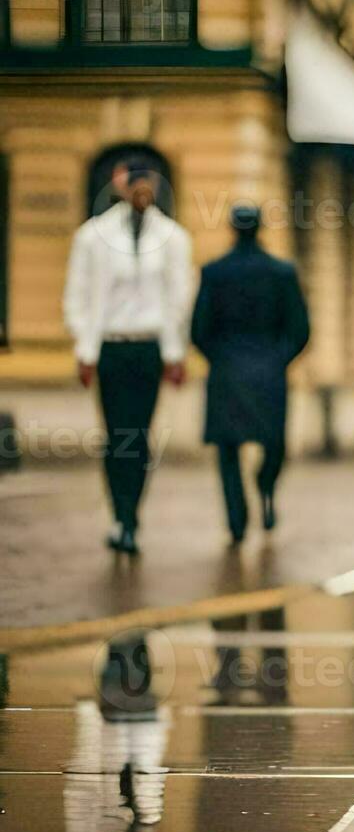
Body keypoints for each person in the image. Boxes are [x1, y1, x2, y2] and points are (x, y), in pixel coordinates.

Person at [64, 164, 193, 555]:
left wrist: (175, 354)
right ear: (121, 187)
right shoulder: (93, 236)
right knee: (115, 435)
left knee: (138, 436)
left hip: (148, 348)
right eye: (135, 184)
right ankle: (119, 514)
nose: (142, 191)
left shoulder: (172, 238)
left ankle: (131, 515)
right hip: (111, 348)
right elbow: (78, 295)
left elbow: (179, 299)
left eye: (148, 184)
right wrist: (85, 350)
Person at [190, 205, 310, 544]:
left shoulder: (214, 272)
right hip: (270, 373)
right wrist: (278, 358)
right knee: (274, 444)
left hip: (226, 372)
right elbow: (300, 329)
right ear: (260, 229)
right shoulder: (282, 273)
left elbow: (198, 329)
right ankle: (266, 486)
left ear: (232, 229)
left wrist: (221, 357)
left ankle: (236, 520)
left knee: (228, 450)